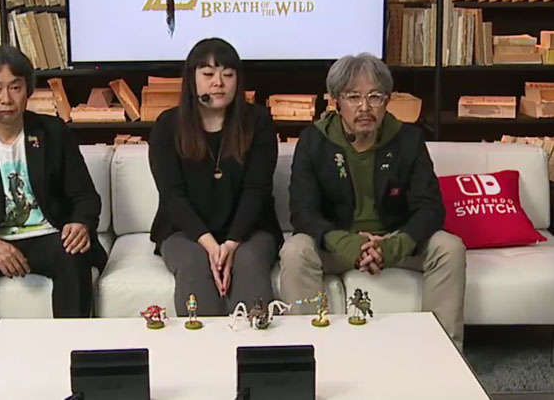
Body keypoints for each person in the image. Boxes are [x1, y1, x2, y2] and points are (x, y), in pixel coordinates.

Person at [0, 45, 107, 369]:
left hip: (47, 235)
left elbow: (85, 195)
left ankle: (72, 361)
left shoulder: (53, 133)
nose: (6, 98)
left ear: (28, 91)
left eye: (15, 87)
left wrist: (81, 223)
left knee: (73, 253)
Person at [280, 53, 466, 349]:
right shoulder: (313, 141)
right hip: (337, 244)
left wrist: (391, 247)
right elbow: (302, 212)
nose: (364, 107)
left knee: (449, 247)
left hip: (393, 240)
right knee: (295, 250)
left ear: (387, 100)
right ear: (336, 101)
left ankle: (443, 352)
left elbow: (430, 208)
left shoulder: (408, 139)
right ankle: (307, 350)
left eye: (375, 96)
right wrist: (347, 243)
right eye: (353, 97)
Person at [149, 37, 282, 317]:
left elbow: (256, 190)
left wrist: (231, 243)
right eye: (208, 74)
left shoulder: (258, 121)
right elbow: (172, 196)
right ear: (191, 79)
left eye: (228, 74)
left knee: (248, 261)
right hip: (184, 231)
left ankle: (254, 340)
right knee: (194, 262)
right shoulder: (167, 126)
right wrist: (210, 245)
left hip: (250, 229)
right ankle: (202, 343)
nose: (218, 83)